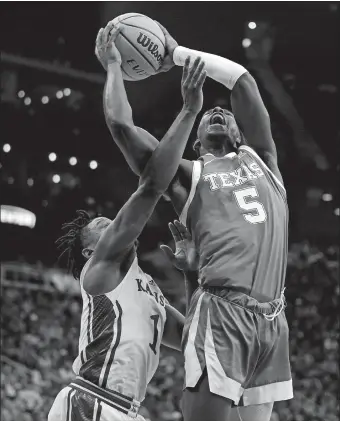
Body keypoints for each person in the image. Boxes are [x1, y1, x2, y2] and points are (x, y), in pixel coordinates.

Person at [99, 19, 293, 421]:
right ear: (195, 140)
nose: (218, 109)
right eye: (210, 114)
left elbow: (242, 82)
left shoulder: (264, 160)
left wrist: (176, 54)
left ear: (241, 132)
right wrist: (114, 67)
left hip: (273, 321)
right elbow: (121, 127)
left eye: (225, 112)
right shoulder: (187, 176)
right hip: (222, 313)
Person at [48, 22, 207, 421]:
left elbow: (189, 339)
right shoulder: (100, 268)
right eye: (102, 224)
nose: (111, 220)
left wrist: (189, 274)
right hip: (90, 399)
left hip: (125, 410)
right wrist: (187, 109)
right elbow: (152, 184)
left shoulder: (147, 288)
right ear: (90, 250)